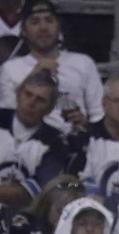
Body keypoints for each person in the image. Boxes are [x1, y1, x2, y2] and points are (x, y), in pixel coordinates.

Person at [0, 1, 102, 134]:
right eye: (35, 22)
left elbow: (99, 114)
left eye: (49, 20)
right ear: (24, 31)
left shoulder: (83, 63)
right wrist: (33, 75)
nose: (43, 27)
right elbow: (7, 118)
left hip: (74, 143)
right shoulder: (11, 68)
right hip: (28, 146)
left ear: (59, 27)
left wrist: (86, 125)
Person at [0, 68, 69, 208]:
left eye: (40, 100)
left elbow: (33, 194)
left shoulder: (55, 142)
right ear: (18, 94)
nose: (31, 103)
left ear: (49, 109)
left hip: (24, 218)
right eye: (28, 94)